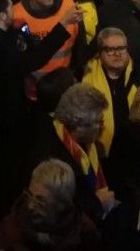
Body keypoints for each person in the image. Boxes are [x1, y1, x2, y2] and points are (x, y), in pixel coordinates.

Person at [0, 159, 108, 251]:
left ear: (62, 205)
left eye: (40, 201)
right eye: (29, 195)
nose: (31, 206)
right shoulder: (12, 225)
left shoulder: (83, 232)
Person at [27, 83, 117, 224]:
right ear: (80, 126)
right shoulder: (55, 161)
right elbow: (62, 211)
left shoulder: (76, 140)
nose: (102, 127)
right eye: (98, 122)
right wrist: (98, 204)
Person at [81, 26, 140, 154]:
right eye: (110, 49)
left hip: (136, 149)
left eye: (121, 48)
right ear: (100, 52)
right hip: (99, 153)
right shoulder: (85, 77)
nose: (117, 54)